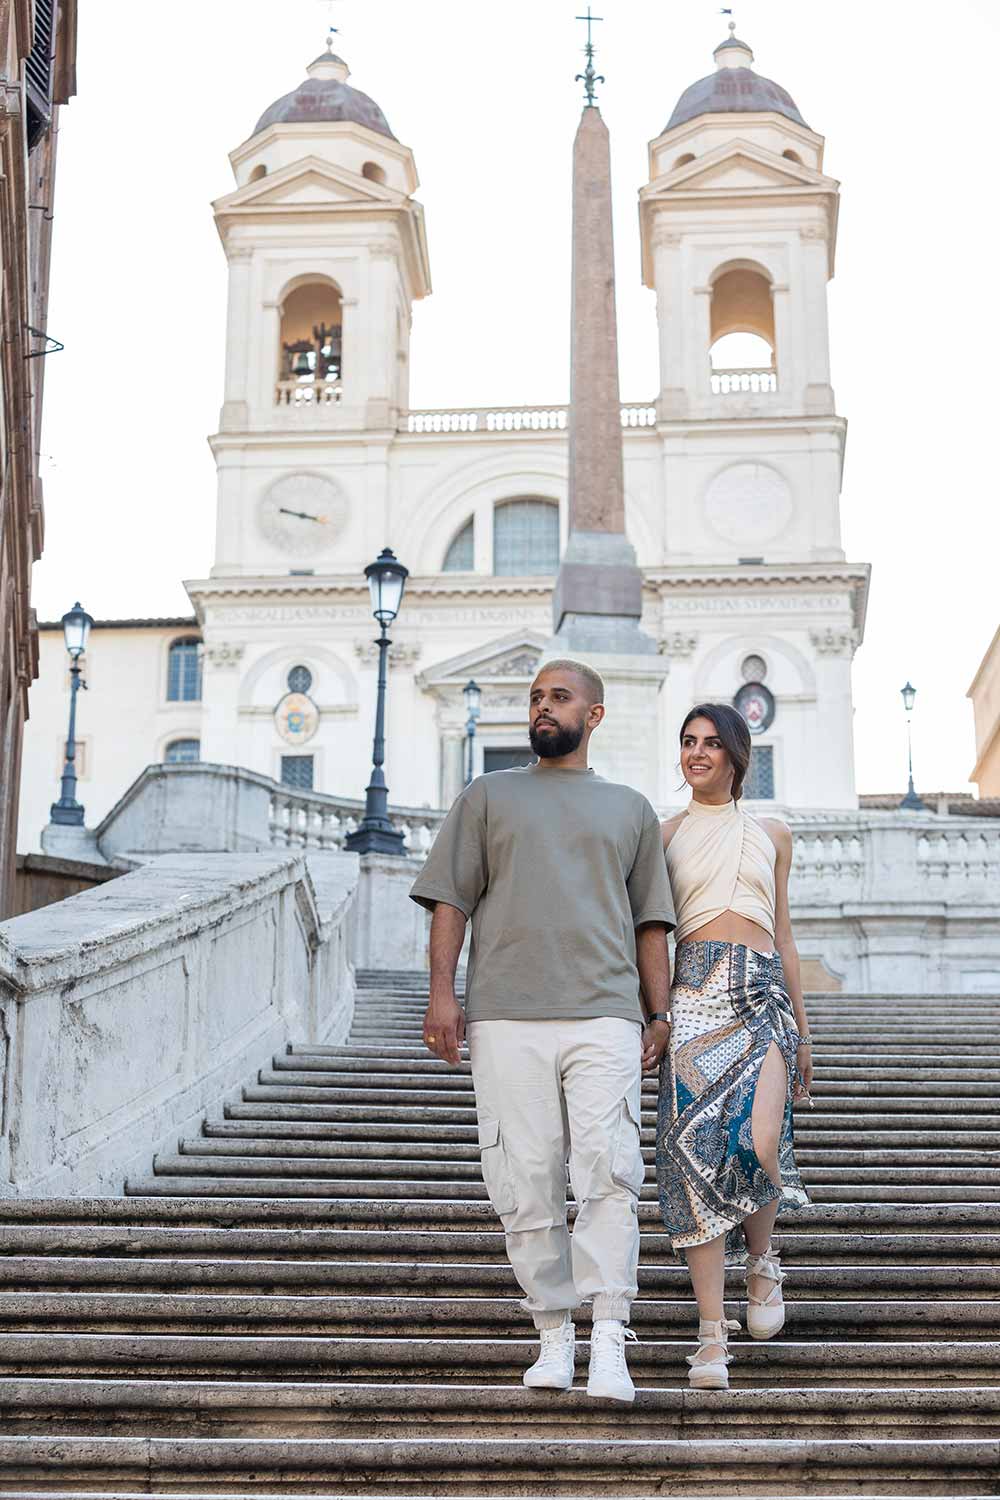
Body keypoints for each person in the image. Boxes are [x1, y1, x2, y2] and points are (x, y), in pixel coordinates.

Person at [410, 660, 675, 1404]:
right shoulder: (487, 796)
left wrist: (659, 1014)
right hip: (504, 1015)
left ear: (594, 714)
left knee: (610, 1172)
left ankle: (609, 1339)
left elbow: (652, 921)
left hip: (605, 1015)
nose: (542, 707)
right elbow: (450, 904)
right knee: (522, 1180)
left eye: (559, 697)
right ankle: (553, 1334)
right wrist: (442, 994)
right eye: (535, 697)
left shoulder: (630, 810)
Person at [657, 704, 813, 1391]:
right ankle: (712, 1336)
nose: (696, 753)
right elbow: (653, 934)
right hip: (692, 996)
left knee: (762, 1139)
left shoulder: (772, 834)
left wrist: (804, 1032)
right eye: (688, 743)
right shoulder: (663, 835)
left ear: (736, 756)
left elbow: (783, 932)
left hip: (761, 994)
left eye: (711, 744)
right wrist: (655, 1012)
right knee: (696, 1159)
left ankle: (763, 1258)